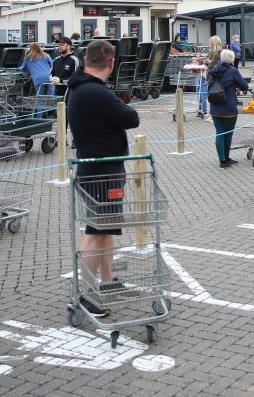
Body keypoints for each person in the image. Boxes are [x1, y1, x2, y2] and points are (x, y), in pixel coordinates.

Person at [67, 40, 140, 317]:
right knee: (95, 232)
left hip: (99, 169)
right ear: (110, 63)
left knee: (106, 228)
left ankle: (107, 281)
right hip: (101, 172)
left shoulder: (80, 88)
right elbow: (131, 118)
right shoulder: (94, 92)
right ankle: (85, 293)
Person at [208, 49, 249, 167]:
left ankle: (222, 159)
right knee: (228, 133)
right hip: (229, 107)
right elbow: (244, 85)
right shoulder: (232, 71)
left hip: (215, 106)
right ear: (231, 59)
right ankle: (225, 158)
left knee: (219, 132)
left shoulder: (213, 70)